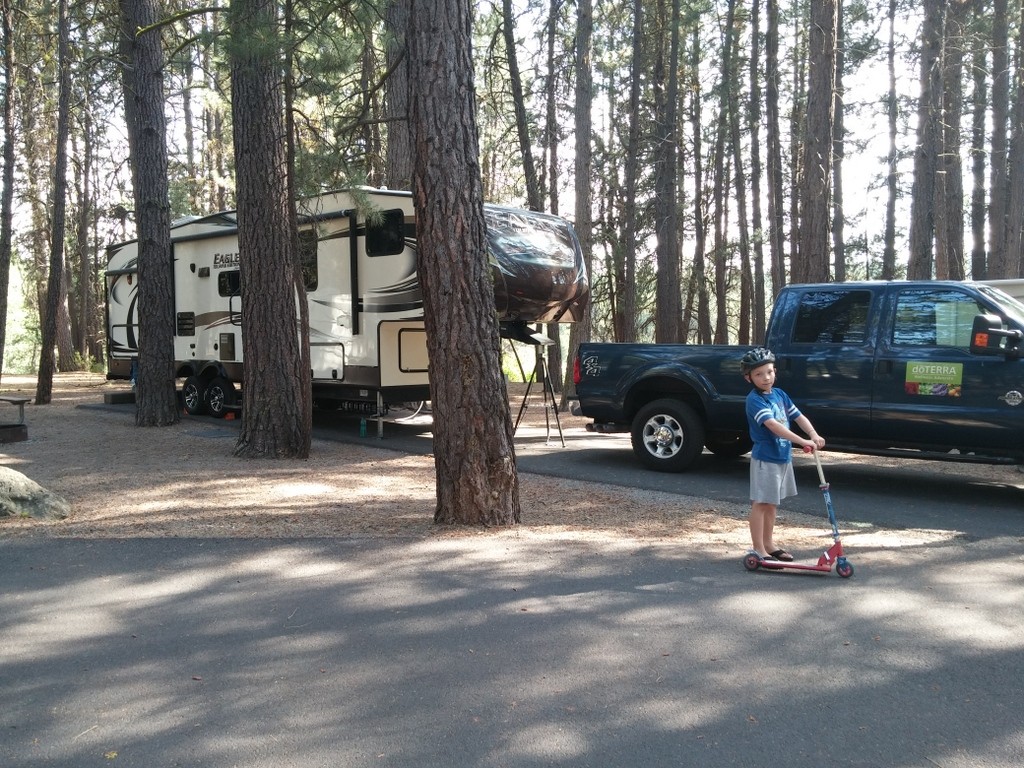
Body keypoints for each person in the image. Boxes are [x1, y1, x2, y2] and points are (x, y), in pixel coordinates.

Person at [741, 347, 825, 561]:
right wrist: (802, 441)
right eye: (758, 374)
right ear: (748, 377)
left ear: (775, 371)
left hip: (782, 457)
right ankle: (758, 549)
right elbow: (773, 426)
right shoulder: (755, 400)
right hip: (765, 459)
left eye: (769, 372)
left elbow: (798, 417)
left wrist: (813, 433)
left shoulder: (780, 395)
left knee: (772, 503)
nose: (765, 377)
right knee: (760, 503)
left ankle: (769, 544)